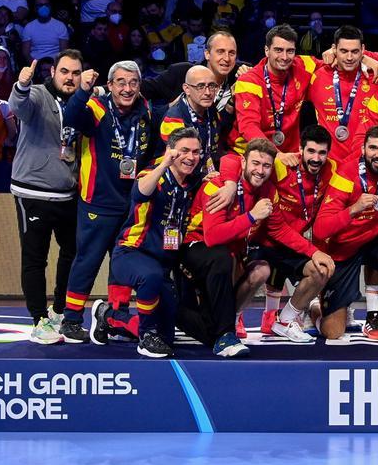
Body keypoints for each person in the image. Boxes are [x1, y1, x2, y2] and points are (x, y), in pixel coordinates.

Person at [57, 60, 154, 343]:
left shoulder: (145, 110)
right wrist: (84, 89)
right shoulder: (97, 108)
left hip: (132, 204)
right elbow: (72, 117)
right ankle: (71, 319)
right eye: (121, 82)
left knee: (123, 263)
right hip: (98, 202)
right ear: (109, 85)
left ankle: (117, 315)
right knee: (87, 261)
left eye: (133, 82)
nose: (127, 88)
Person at [92, 127, 204, 358]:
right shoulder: (153, 174)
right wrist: (164, 163)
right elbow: (139, 194)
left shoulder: (193, 182)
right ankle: (146, 336)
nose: (190, 157)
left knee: (167, 335)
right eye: (183, 151)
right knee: (150, 278)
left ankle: (108, 316)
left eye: (195, 152)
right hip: (130, 253)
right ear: (170, 151)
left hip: (162, 262)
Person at [174, 137, 277, 357]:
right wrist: (251, 216)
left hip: (226, 255)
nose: (260, 170)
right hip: (193, 248)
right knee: (222, 255)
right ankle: (226, 335)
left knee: (260, 268)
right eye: (256, 163)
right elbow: (212, 237)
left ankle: (220, 327)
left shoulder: (267, 190)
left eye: (266, 165)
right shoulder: (218, 186)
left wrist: (313, 252)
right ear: (244, 163)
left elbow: (280, 229)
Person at [312, 125, 378, 344]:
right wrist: (354, 209)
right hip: (343, 248)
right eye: (373, 148)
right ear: (363, 149)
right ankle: (313, 307)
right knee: (333, 332)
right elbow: (320, 229)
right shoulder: (345, 174)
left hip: (374, 240)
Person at [9, 51, 82, 344]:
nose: (69, 78)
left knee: (73, 253)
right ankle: (38, 320)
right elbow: (19, 107)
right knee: (35, 258)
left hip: (67, 192)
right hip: (33, 191)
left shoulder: (81, 102)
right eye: (64, 71)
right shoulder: (37, 95)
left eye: (75, 73)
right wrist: (21, 85)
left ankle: (59, 311)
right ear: (53, 72)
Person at [230, 24, 319, 153]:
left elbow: (336, 63)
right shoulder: (249, 81)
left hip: (290, 154)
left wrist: (332, 53)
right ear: (267, 50)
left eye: (290, 51)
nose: (284, 57)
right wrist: (276, 155)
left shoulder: (302, 65)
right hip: (249, 154)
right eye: (278, 50)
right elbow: (248, 127)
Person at [309, 25, 378, 166]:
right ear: (334, 49)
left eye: (355, 52)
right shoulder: (317, 76)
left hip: (365, 164)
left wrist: (369, 58)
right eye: (344, 51)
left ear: (363, 50)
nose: (349, 57)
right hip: (327, 165)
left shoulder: (377, 77)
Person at [159, 65, 223, 175]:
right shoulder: (173, 120)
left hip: (204, 171)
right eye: (200, 86)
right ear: (187, 89)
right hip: (180, 179)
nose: (208, 92)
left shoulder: (211, 109)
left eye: (212, 86)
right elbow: (179, 164)